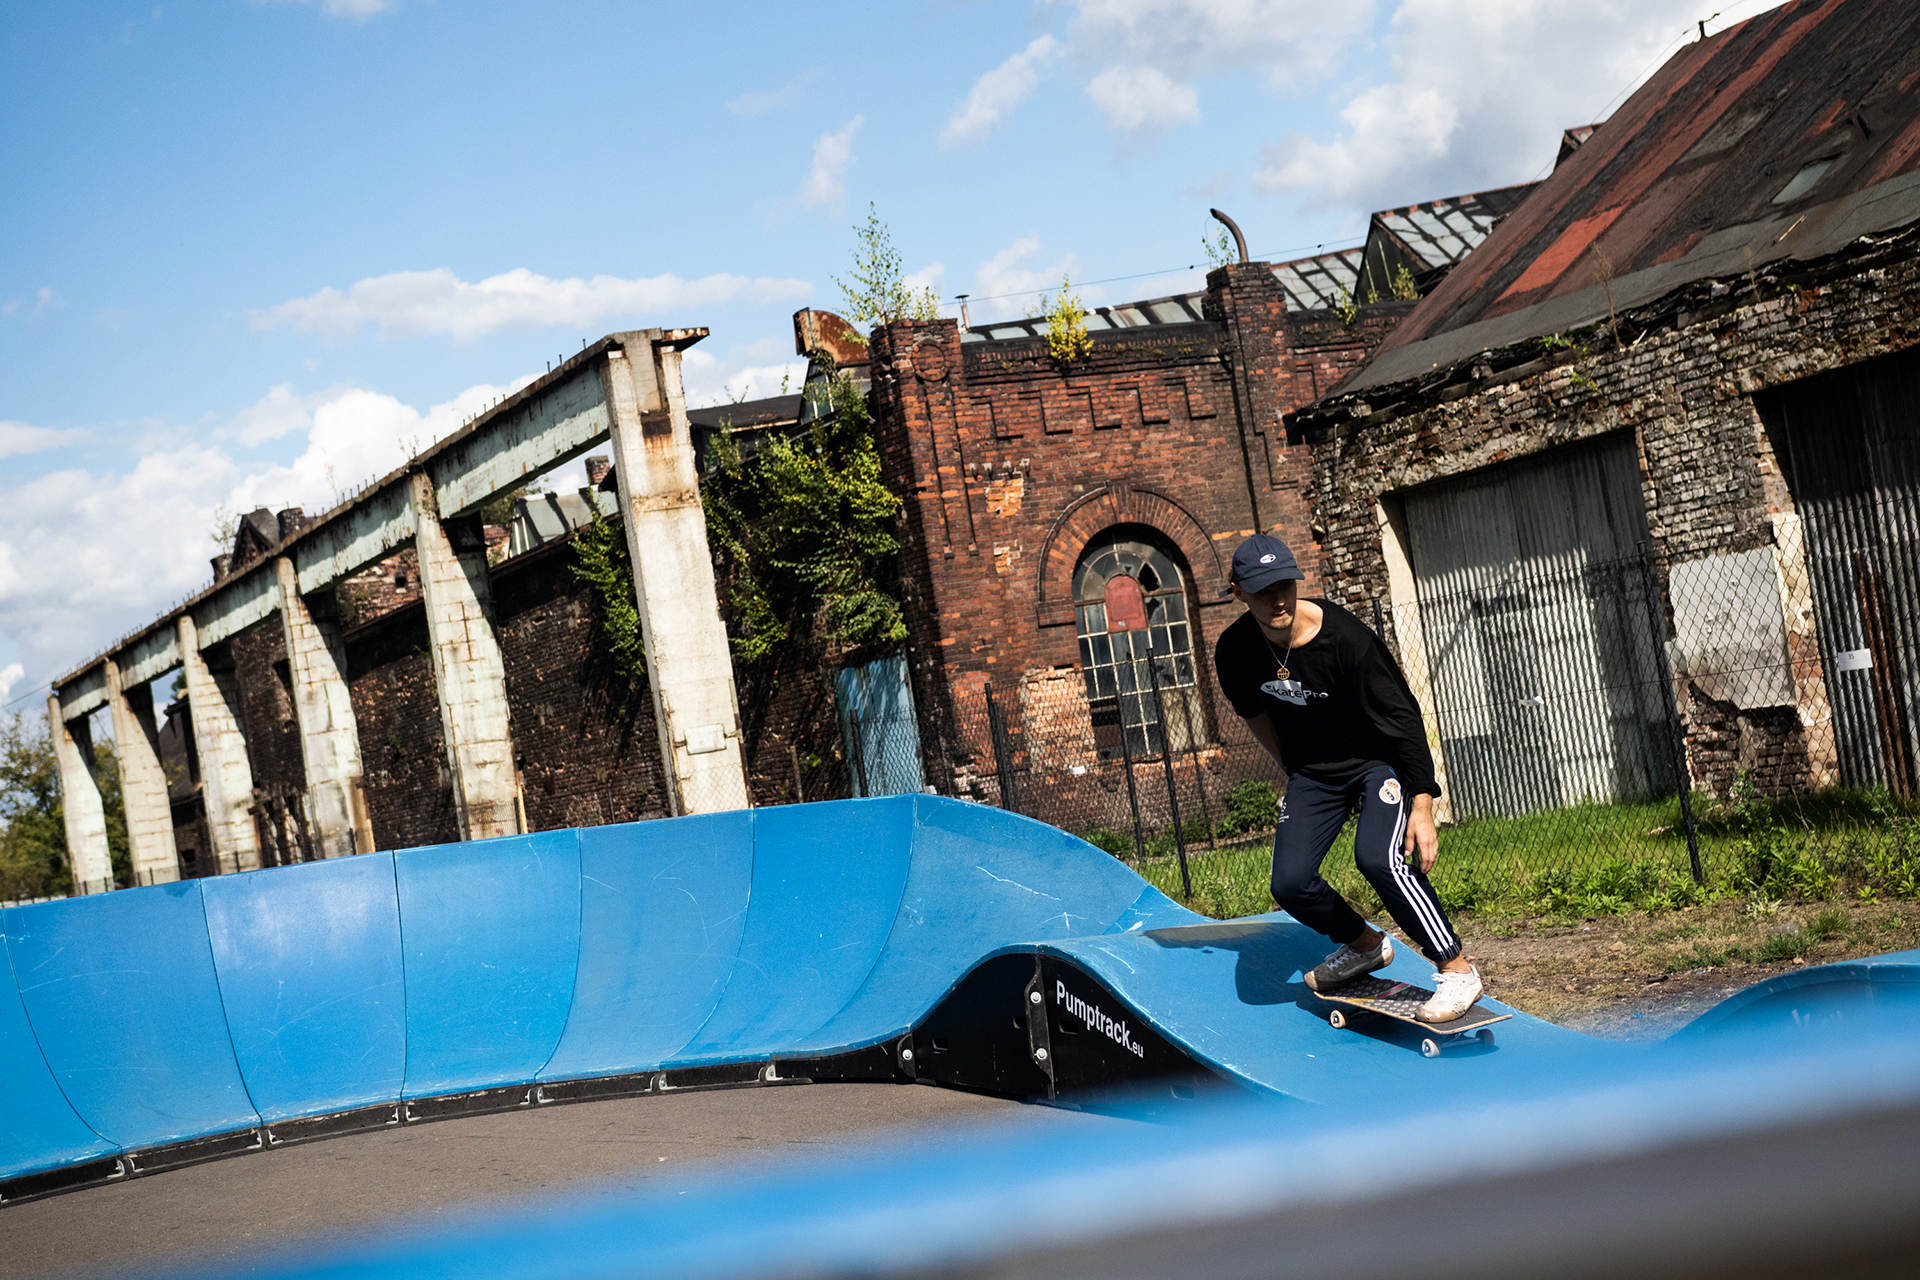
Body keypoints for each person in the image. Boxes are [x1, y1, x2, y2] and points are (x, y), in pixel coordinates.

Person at [1212, 533, 1481, 1022]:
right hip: (1313, 774)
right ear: (1237, 591)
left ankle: (1458, 971)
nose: (1277, 599)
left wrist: (1423, 805)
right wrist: (1290, 766)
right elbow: (1252, 711)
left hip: (1376, 764)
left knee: (1378, 860)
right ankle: (1364, 945)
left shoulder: (1346, 640)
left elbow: (1403, 719)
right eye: (1261, 589)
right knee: (1290, 883)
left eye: (1284, 585)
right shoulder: (1234, 651)